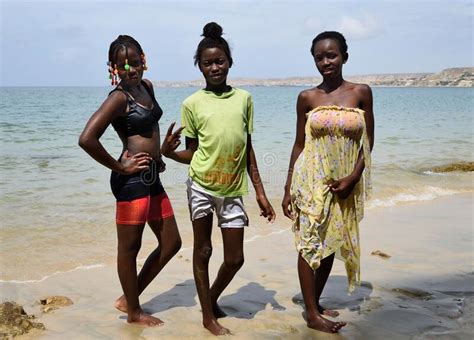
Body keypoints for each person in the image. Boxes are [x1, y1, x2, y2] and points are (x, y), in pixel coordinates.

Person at [161, 22, 276, 336]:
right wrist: (169, 154)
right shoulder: (192, 104)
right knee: (203, 251)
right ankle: (208, 317)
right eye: (208, 62)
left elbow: (248, 148)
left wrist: (261, 193)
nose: (215, 67)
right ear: (199, 66)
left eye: (220, 61)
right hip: (200, 184)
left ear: (230, 62)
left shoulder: (244, 99)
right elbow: (192, 153)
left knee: (235, 258)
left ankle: (209, 299)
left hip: (232, 189)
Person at [78, 35, 182, 327]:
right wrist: (120, 166)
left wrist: (160, 154)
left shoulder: (146, 87)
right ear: (113, 68)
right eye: (123, 66)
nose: (130, 70)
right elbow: (87, 139)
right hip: (130, 181)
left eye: (135, 63)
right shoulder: (118, 98)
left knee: (171, 242)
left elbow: (150, 129)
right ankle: (133, 313)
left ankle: (129, 297)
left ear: (143, 61)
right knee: (129, 248)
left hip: (151, 175)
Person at [281, 31, 374, 333]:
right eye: (319, 57)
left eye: (331, 55)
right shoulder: (307, 97)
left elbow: (368, 142)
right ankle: (311, 313)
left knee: (330, 242)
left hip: (345, 180)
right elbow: (298, 144)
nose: (325, 62)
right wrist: (287, 189)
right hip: (311, 180)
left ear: (344, 56)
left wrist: (354, 176)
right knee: (310, 243)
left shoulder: (361, 92)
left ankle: (314, 302)